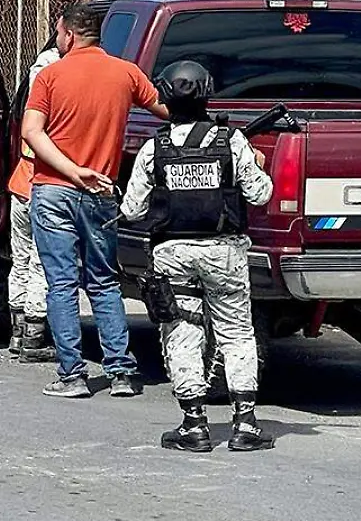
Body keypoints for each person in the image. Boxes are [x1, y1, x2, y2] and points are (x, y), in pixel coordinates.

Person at [118, 60, 275, 452]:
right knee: (237, 333)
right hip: (224, 253)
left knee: (182, 330)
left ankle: (193, 424)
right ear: (207, 94)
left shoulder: (155, 148)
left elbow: (133, 210)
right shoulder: (231, 141)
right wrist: (257, 164)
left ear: (165, 98)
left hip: (173, 253)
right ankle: (245, 424)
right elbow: (260, 194)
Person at [22, 3, 169, 399]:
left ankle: (72, 375)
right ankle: (120, 372)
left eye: (58, 33)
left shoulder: (50, 75)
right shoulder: (126, 73)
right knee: (104, 282)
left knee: (62, 284)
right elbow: (169, 109)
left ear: (68, 34)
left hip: (54, 190)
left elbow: (31, 132)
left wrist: (71, 171)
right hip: (101, 191)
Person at [6, 44, 60, 363]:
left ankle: (17, 330)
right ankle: (34, 336)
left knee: (22, 258)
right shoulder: (53, 102)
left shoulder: (30, 98)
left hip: (21, 184)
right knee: (41, 261)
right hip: (42, 186)